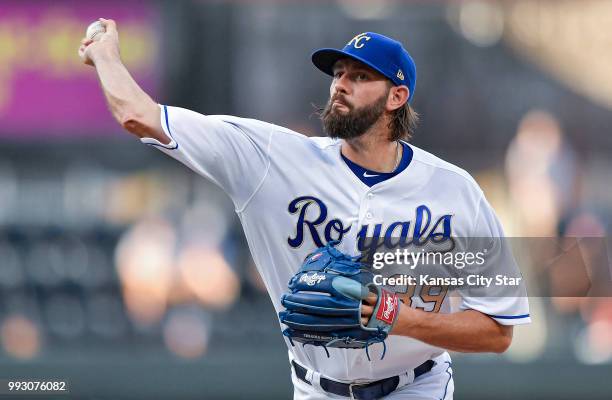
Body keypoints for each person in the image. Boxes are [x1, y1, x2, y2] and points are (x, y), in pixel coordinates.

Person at [79, 20, 530, 400]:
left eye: (359, 76)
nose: (340, 86)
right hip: (317, 389)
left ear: (396, 96)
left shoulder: (456, 192)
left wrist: (396, 318)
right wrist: (106, 56)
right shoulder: (271, 159)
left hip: (417, 387)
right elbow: (139, 115)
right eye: (338, 73)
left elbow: (498, 330)